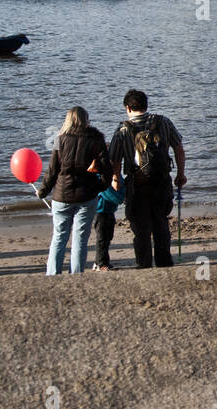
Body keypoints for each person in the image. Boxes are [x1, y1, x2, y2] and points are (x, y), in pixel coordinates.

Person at [109, 89, 186, 269]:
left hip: (137, 183)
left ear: (128, 108)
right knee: (161, 222)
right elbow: (179, 149)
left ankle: (143, 264)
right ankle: (164, 262)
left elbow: (114, 159)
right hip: (162, 181)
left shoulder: (122, 129)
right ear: (146, 105)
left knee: (141, 228)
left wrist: (116, 179)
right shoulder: (164, 122)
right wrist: (181, 174)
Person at [37, 107, 111, 275]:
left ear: (68, 120)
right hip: (87, 195)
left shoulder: (60, 139)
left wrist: (43, 191)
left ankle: (53, 274)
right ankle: (76, 275)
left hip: (62, 196)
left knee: (59, 237)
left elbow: (52, 170)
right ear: (87, 120)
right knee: (80, 240)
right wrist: (101, 186)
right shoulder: (97, 139)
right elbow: (107, 170)